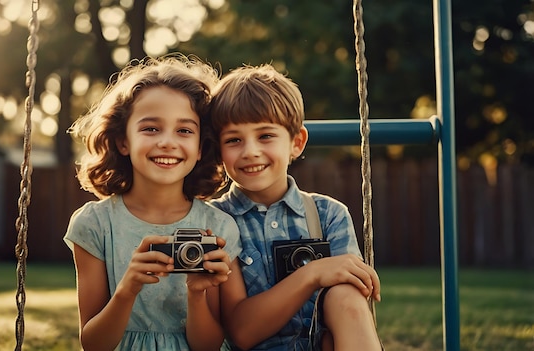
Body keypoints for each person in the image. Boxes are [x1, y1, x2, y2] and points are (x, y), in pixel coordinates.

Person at [64, 55, 241, 351]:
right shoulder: (94, 225)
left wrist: (197, 294)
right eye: (151, 128)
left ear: (200, 147)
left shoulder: (217, 228)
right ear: (123, 141)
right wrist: (127, 289)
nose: (167, 142)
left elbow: (209, 346)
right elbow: (93, 344)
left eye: (184, 130)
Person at [210, 64, 383, 351]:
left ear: (296, 142)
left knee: (345, 294)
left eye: (265, 136)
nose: (250, 151)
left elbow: (351, 308)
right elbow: (241, 333)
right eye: (233, 140)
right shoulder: (214, 221)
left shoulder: (328, 215)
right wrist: (311, 274)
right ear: (218, 151)